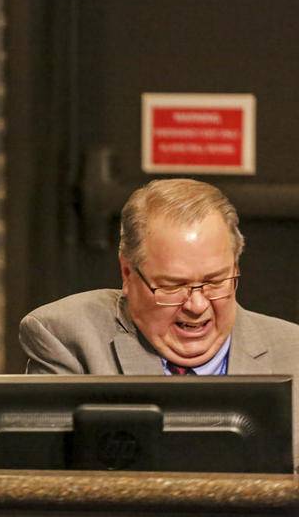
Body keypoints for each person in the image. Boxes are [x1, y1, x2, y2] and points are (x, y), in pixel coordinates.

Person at [19, 178, 299, 459]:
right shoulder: (68, 337)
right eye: (173, 286)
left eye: (215, 281)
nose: (197, 305)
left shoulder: (293, 352)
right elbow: (51, 484)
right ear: (127, 274)